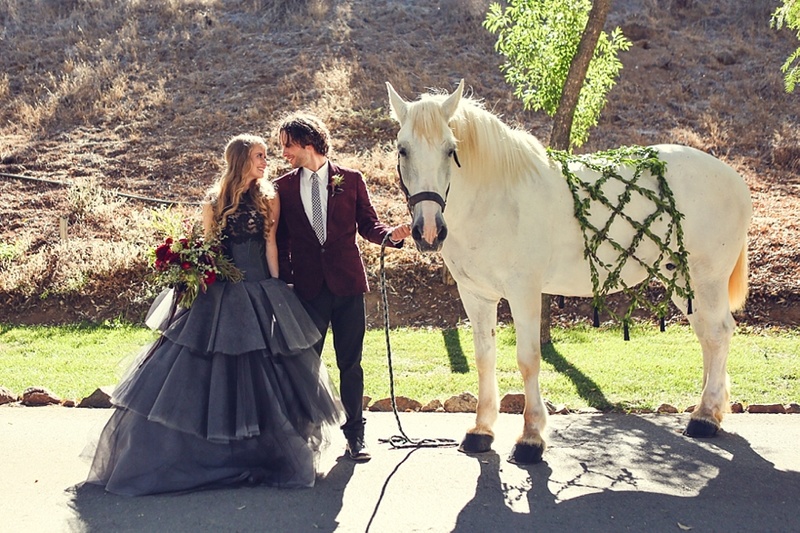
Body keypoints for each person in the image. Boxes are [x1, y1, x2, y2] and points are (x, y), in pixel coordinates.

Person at [84, 134, 343, 496]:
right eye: (259, 156)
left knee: (265, 368)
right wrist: (196, 277)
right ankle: (202, 454)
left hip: (258, 289)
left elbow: (269, 243)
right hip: (220, 293)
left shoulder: (270, 198)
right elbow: (207, 248)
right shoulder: (215, 201)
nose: (266, 162)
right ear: (240, 160)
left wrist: (276, 286)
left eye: (266, 156)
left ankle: (260, 453)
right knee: (207, 368)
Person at [274, 113, 411, 462]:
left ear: (308, 143)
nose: (283, 152)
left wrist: (390, 237)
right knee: (306, 364)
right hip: (306, 291)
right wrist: (285, 282)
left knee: (351, 363)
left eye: (287, 145)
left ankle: (356, 437)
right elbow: (281, 240)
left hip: (348, 286)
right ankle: (301, 436)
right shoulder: (283, 187)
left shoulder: (351, 180)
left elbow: (369, 224)